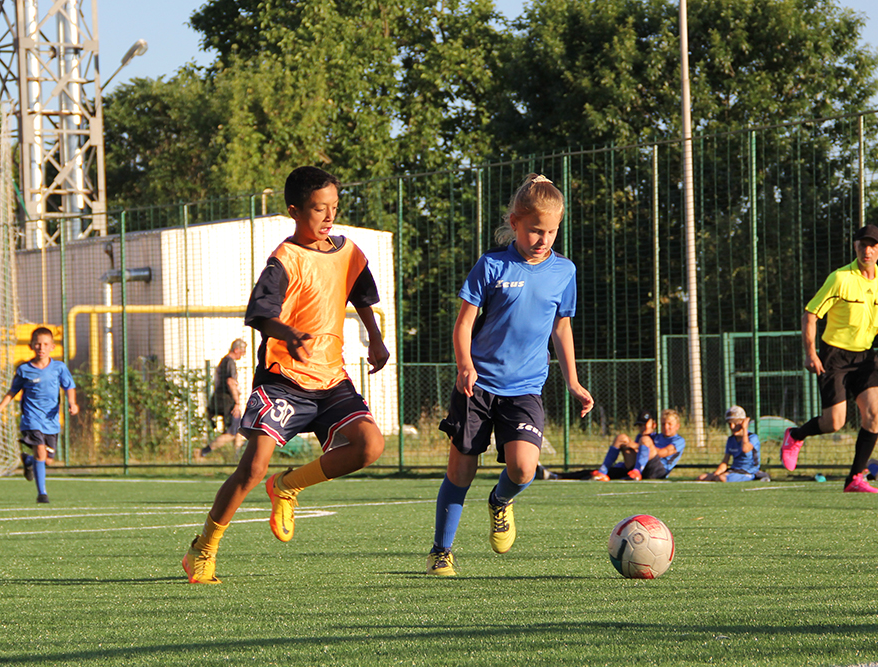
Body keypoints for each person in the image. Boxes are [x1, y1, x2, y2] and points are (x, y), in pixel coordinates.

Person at [182, 166, 389, 584]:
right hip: (283, 380)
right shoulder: (284, 259)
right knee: (252, 469)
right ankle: (203, 548)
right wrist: (287, 333)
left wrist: (376, 338)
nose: (329, 216)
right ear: (294, 211)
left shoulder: (349, 252)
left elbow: (362, 295)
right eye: (318, 208)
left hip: (331, 379)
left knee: (370, 446)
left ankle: (288, 485)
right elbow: (258, 314)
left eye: (334, 207)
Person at [425, 174, 594, 577]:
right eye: (535, 230)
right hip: (478, 385)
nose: (543, 239)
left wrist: (572, 381)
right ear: (515, 222)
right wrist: (465, 365)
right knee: (460, 473)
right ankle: (441, 552)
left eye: (551, 231)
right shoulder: (492, 265)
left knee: (523, 469)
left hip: (525, 389)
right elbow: (464, 324)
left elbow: (561, 327)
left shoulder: (564, 271)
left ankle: (500, 501)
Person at [780, 224, 878, 493]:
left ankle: (855, 477)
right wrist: (811, 353)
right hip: (834, 354)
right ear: (855, 246)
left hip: (865, 356)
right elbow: (810, 315)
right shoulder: (840, 278)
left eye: (873, 245)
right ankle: (795, 435)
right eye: (862, 244)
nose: (867, 250)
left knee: (875, 415)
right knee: (834, 422)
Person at [0, 327, 79, 504]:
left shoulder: (59, 368)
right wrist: (0, 406)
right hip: (31, 419)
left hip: (51, 420)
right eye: (37, 344)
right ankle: (42, 494)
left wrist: (72, 403)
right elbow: (13, 390)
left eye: (45, 344)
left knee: (48, 460)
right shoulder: (24, 369)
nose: (41, 347)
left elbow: (69, 386)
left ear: (52, 347)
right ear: (31, 346)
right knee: (40, 451)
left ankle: (29, 461)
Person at [546, 409, 684, 481]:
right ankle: (602, 471)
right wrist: (629, 444)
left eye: (669, 424)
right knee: (621, 438)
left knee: (644, 440)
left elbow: (663, 453)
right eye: (663, 424)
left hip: (657, 471)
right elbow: (641, 449)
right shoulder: (655, 436)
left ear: (677, 426)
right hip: (638, 466)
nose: (666, 427)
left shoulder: (678, 440)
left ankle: (636, 472)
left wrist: (635, 445)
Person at [199, 338, 248, 459]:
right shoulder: (230, 362)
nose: (243, 355)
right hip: (227, 401)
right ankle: (203, 452)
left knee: (239, 430)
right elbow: (230, 382)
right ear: (236, 350)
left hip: (219, 398)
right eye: (242, 352)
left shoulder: (223, 361)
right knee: (232, 433)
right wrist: (237, 403)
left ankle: (237, 458)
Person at [697, 405, 765, 482]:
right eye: (729, 424)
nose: (732, 427)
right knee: (701, 477)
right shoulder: (731, 439)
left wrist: (744, 428)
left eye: (735, 423)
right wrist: (715, 474)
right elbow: (725, 462)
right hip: (734, 471)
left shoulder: (753, 437)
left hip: (748, 472)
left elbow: (745, 449)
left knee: (721, 478)